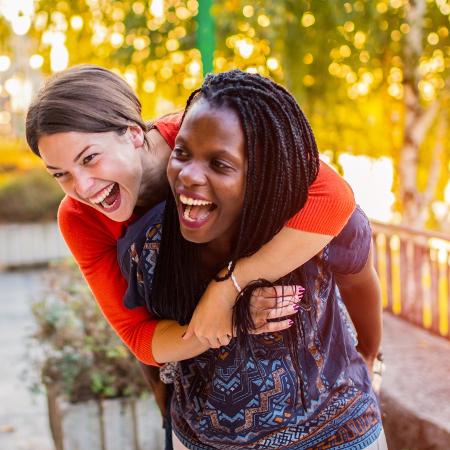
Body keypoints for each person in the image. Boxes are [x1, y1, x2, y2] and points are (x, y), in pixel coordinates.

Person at [25, 65, 357, 441]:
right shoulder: (79, 219)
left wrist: (230, 285)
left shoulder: (211, 129)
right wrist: (226, 319)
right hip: (192, 404)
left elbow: (334, 198)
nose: (81, 187)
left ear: (134, 132)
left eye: (89, 158)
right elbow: (139, 336)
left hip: (318, 397)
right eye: (60, 174)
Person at [119, 70, 385, 449]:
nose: (189, 175)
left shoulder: (320, 232)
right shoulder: (146, 246)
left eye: (220, 164)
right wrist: (171, 417)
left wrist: (371, 354)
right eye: (181, 152)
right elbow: (147, 344)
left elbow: (361, 282)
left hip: (337, 437)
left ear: (264, 174)